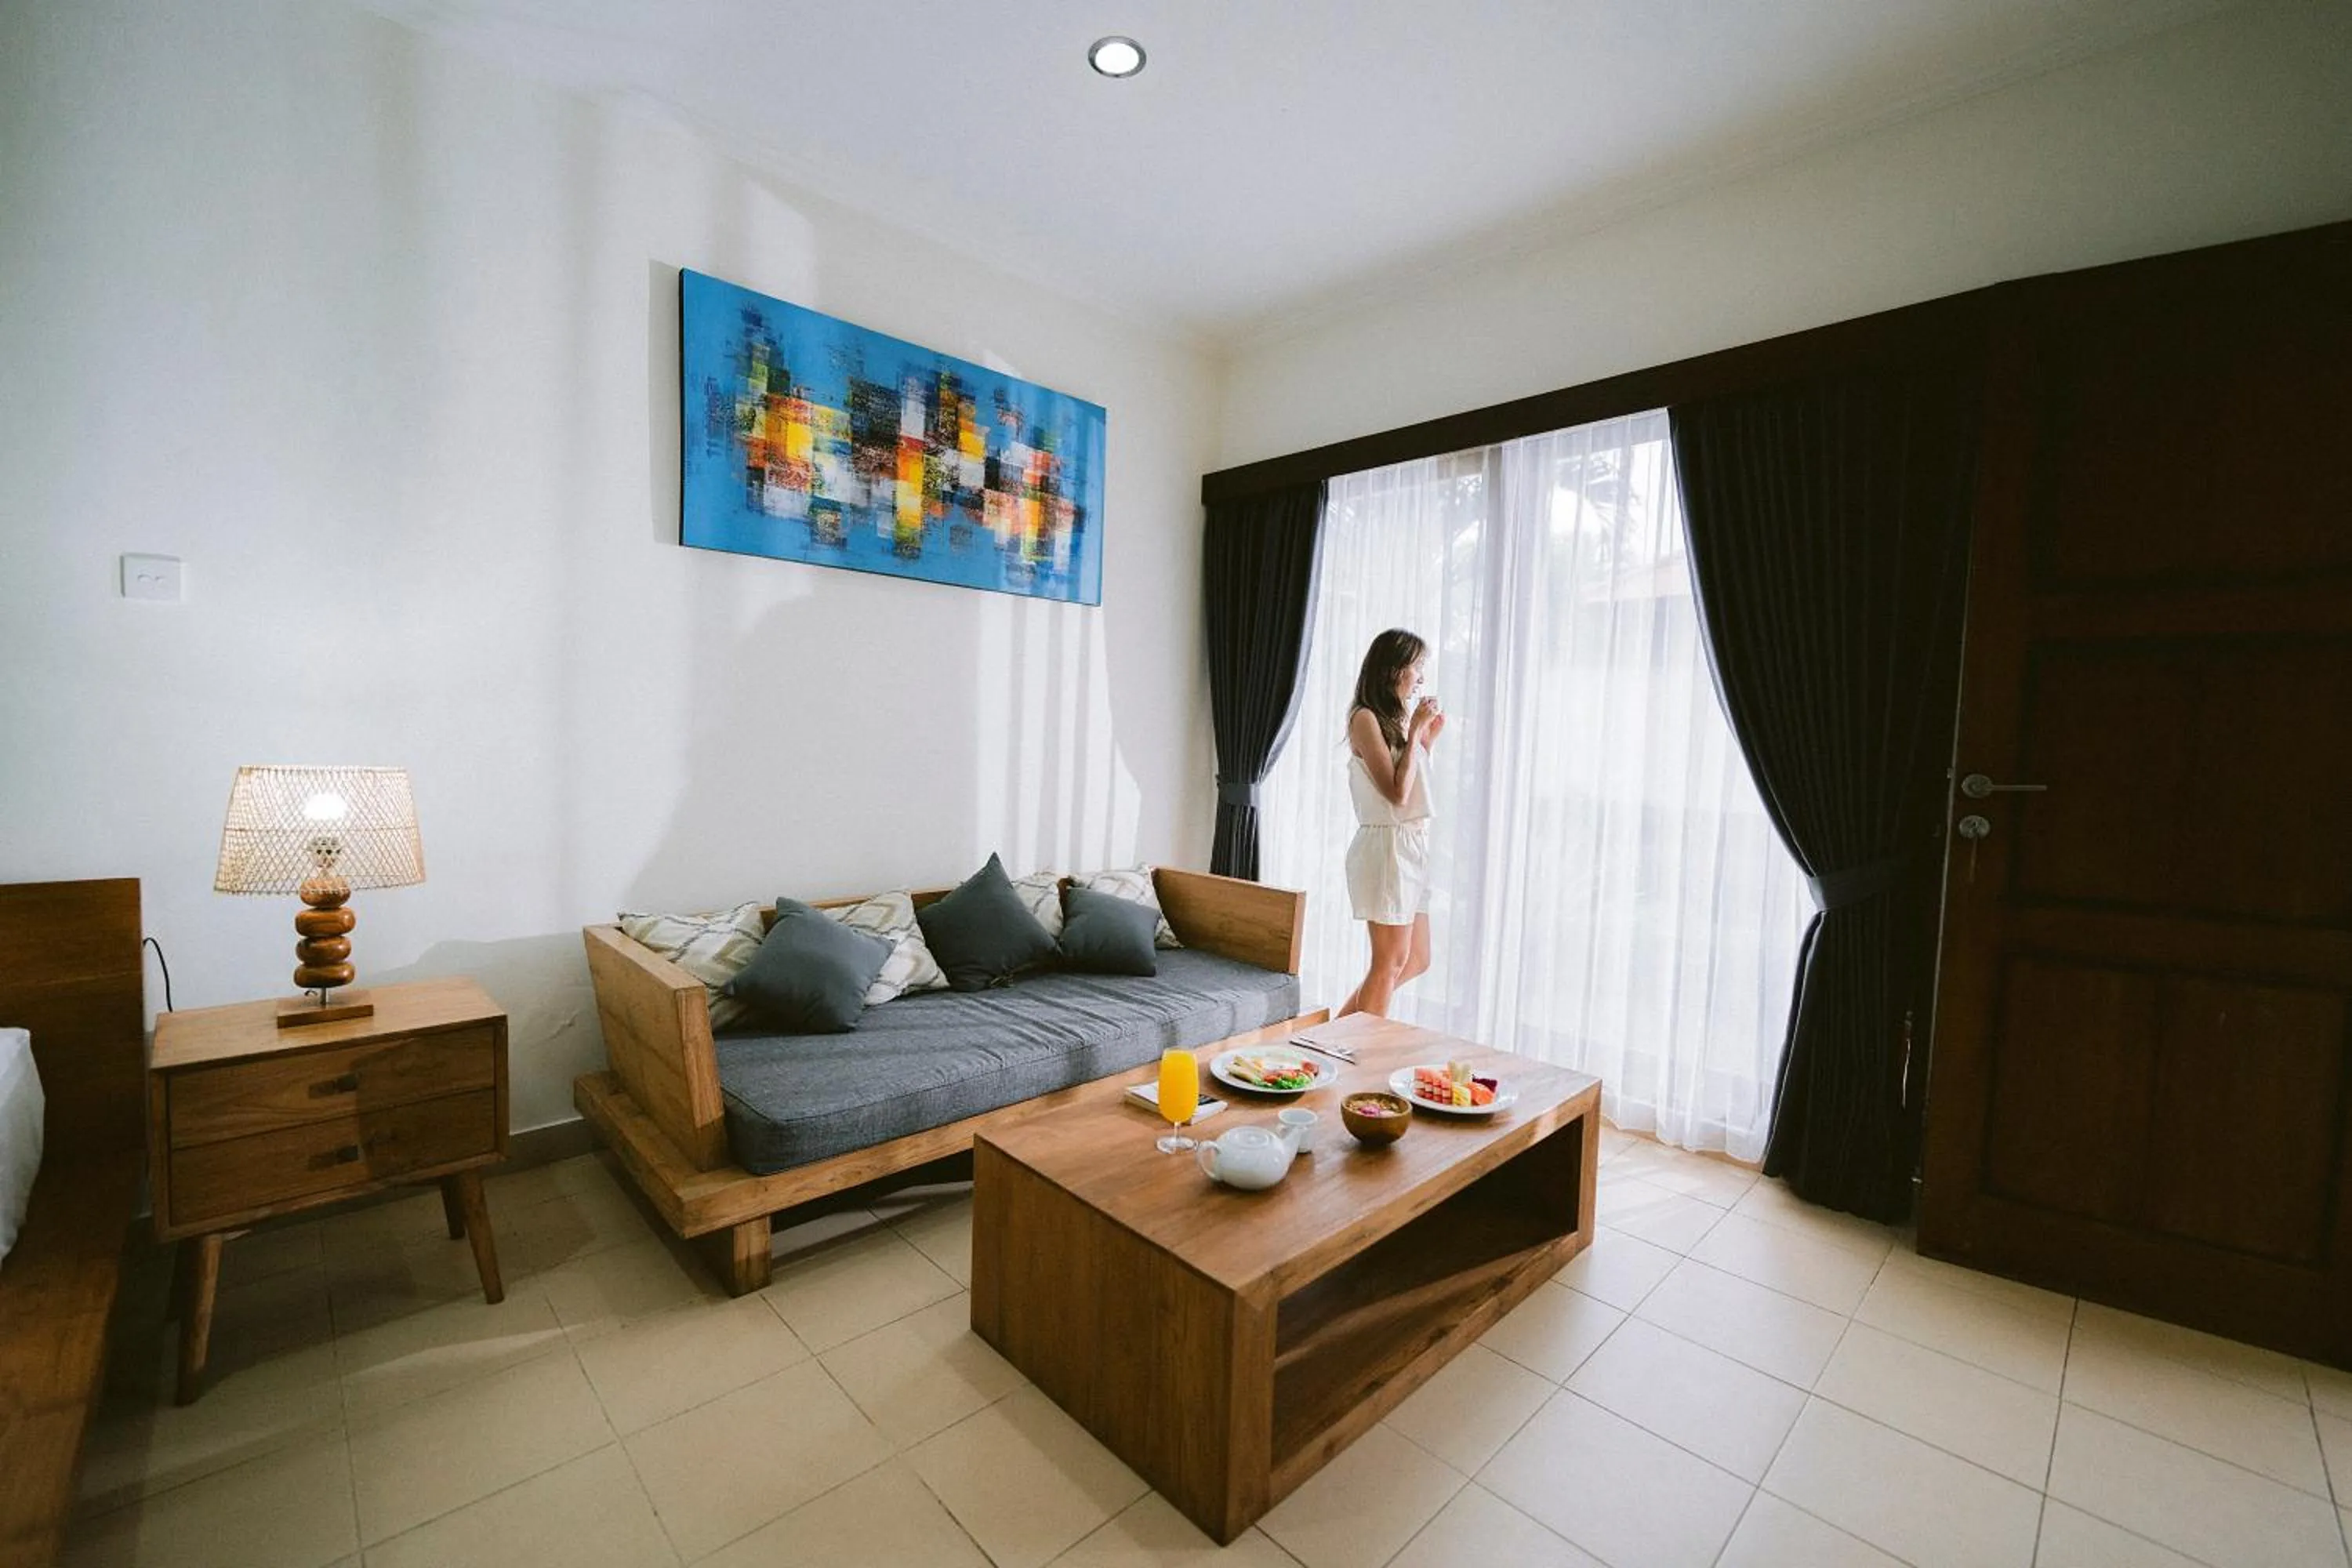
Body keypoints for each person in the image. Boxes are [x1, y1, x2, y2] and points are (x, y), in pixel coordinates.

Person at [1335, 628, 1445, 1018]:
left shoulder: (1395, 718)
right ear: (1394, 669)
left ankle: (1330, 1036)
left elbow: (1411, 787)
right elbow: (1395, 795)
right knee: (1389, 963)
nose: (1421, 677)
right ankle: (1359, 1056)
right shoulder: (1365, 717)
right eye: (1416, 667)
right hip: (1388, 849)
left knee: (1417, 958)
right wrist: (1415, 733)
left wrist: (1424, 741)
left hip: (1412, 846)